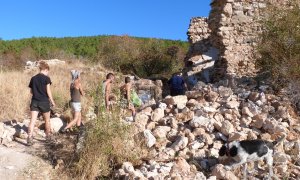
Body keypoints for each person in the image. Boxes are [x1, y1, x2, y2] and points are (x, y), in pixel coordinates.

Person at [27, 61, 55, 146]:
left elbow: (31, 91)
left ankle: (29, 138)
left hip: (34, 101)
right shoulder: (47, 78)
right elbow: (48, 91)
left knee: (32, 120)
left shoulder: (33, 78)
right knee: (47, 120)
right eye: (48, 71)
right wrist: (52, 101)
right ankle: (48, 137)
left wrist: (37, 93)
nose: (47, 73)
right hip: (44, 102)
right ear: (46, 69)